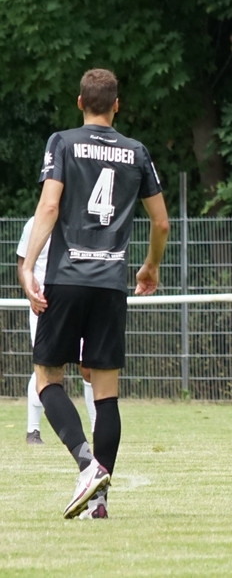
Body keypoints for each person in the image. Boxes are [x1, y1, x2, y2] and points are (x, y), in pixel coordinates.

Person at [19, 68, 169, 519]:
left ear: (80, 102)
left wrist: (27, 265)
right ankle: (98, 502)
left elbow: (49, 205)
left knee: (48, 379)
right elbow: (161, 223)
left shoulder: (62, 142)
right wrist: (150, 265)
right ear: (117, 105)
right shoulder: (136, 151)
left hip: (66, 278)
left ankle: (88, 465)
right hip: (110, 284)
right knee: (106, 394)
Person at [17, 217, 97, 444]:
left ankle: (97, 428)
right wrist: (30, 293)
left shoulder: (81, 220)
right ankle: (33, 431)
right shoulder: (35, 224)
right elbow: (22, 264)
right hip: (44, 306)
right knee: (45, 367)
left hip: (77, 304)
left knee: (89, 366)